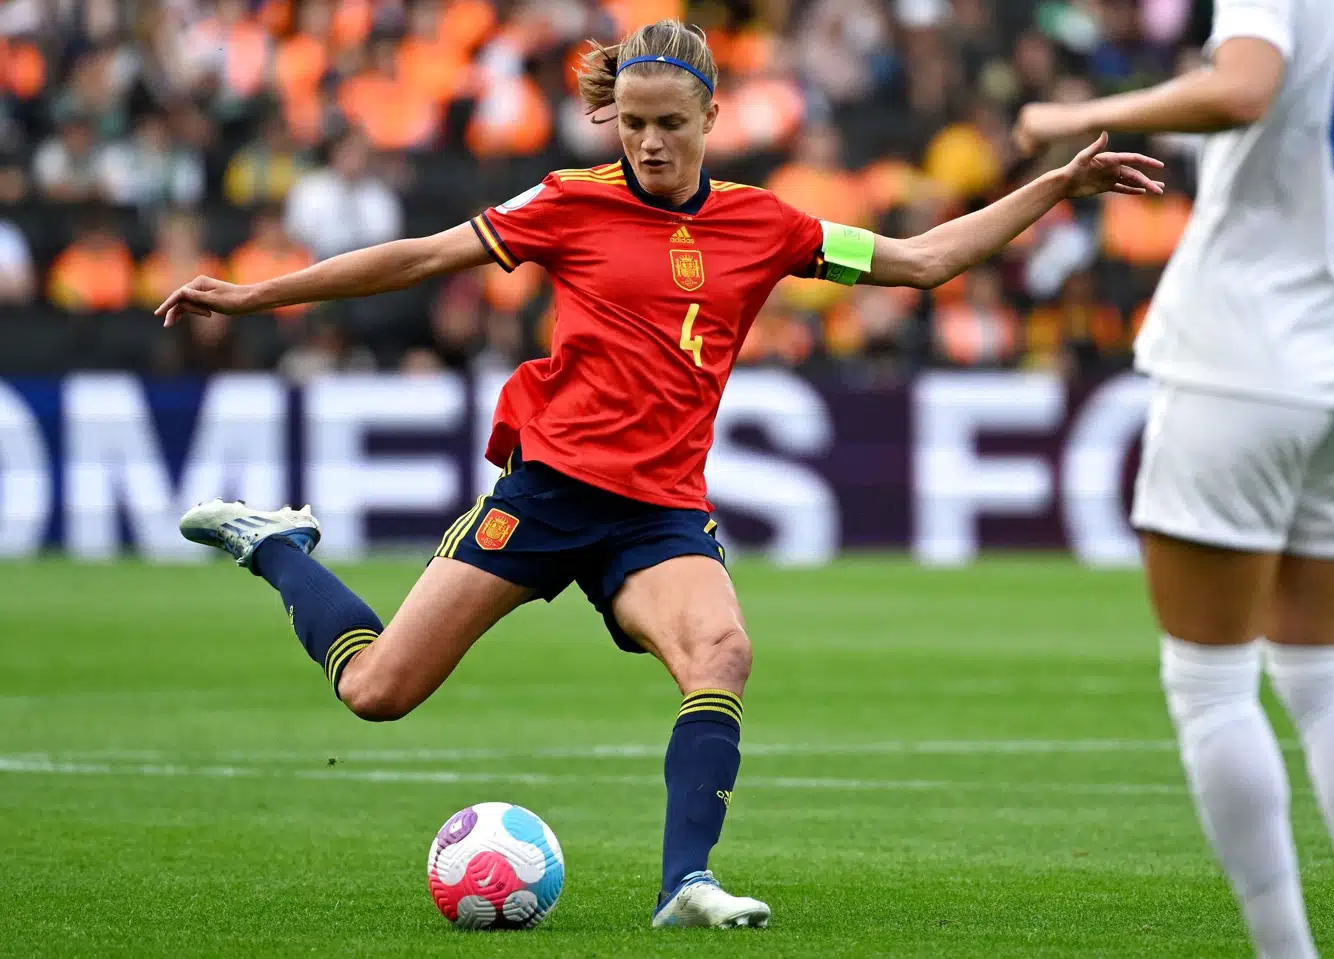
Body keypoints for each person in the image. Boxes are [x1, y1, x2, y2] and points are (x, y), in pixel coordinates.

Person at [156, 19, 1161, 930]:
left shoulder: (770, 226)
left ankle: (687, 881)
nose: (647, 142)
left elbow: (926, 259)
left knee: (721, 651)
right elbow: (419, 259)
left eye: (669, 124)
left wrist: (1054, 188)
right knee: (377, 690)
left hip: (659, 513)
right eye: (632, 123)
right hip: (547, 494)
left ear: (711, 118)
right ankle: (278, 547)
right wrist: (256, 295)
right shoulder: (567, 202)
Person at [1013, 2, 1334, 956]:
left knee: (1210, 685)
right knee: (1327, 675)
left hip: (1237, 358)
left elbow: (1243, 89)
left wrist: (1080, 115)